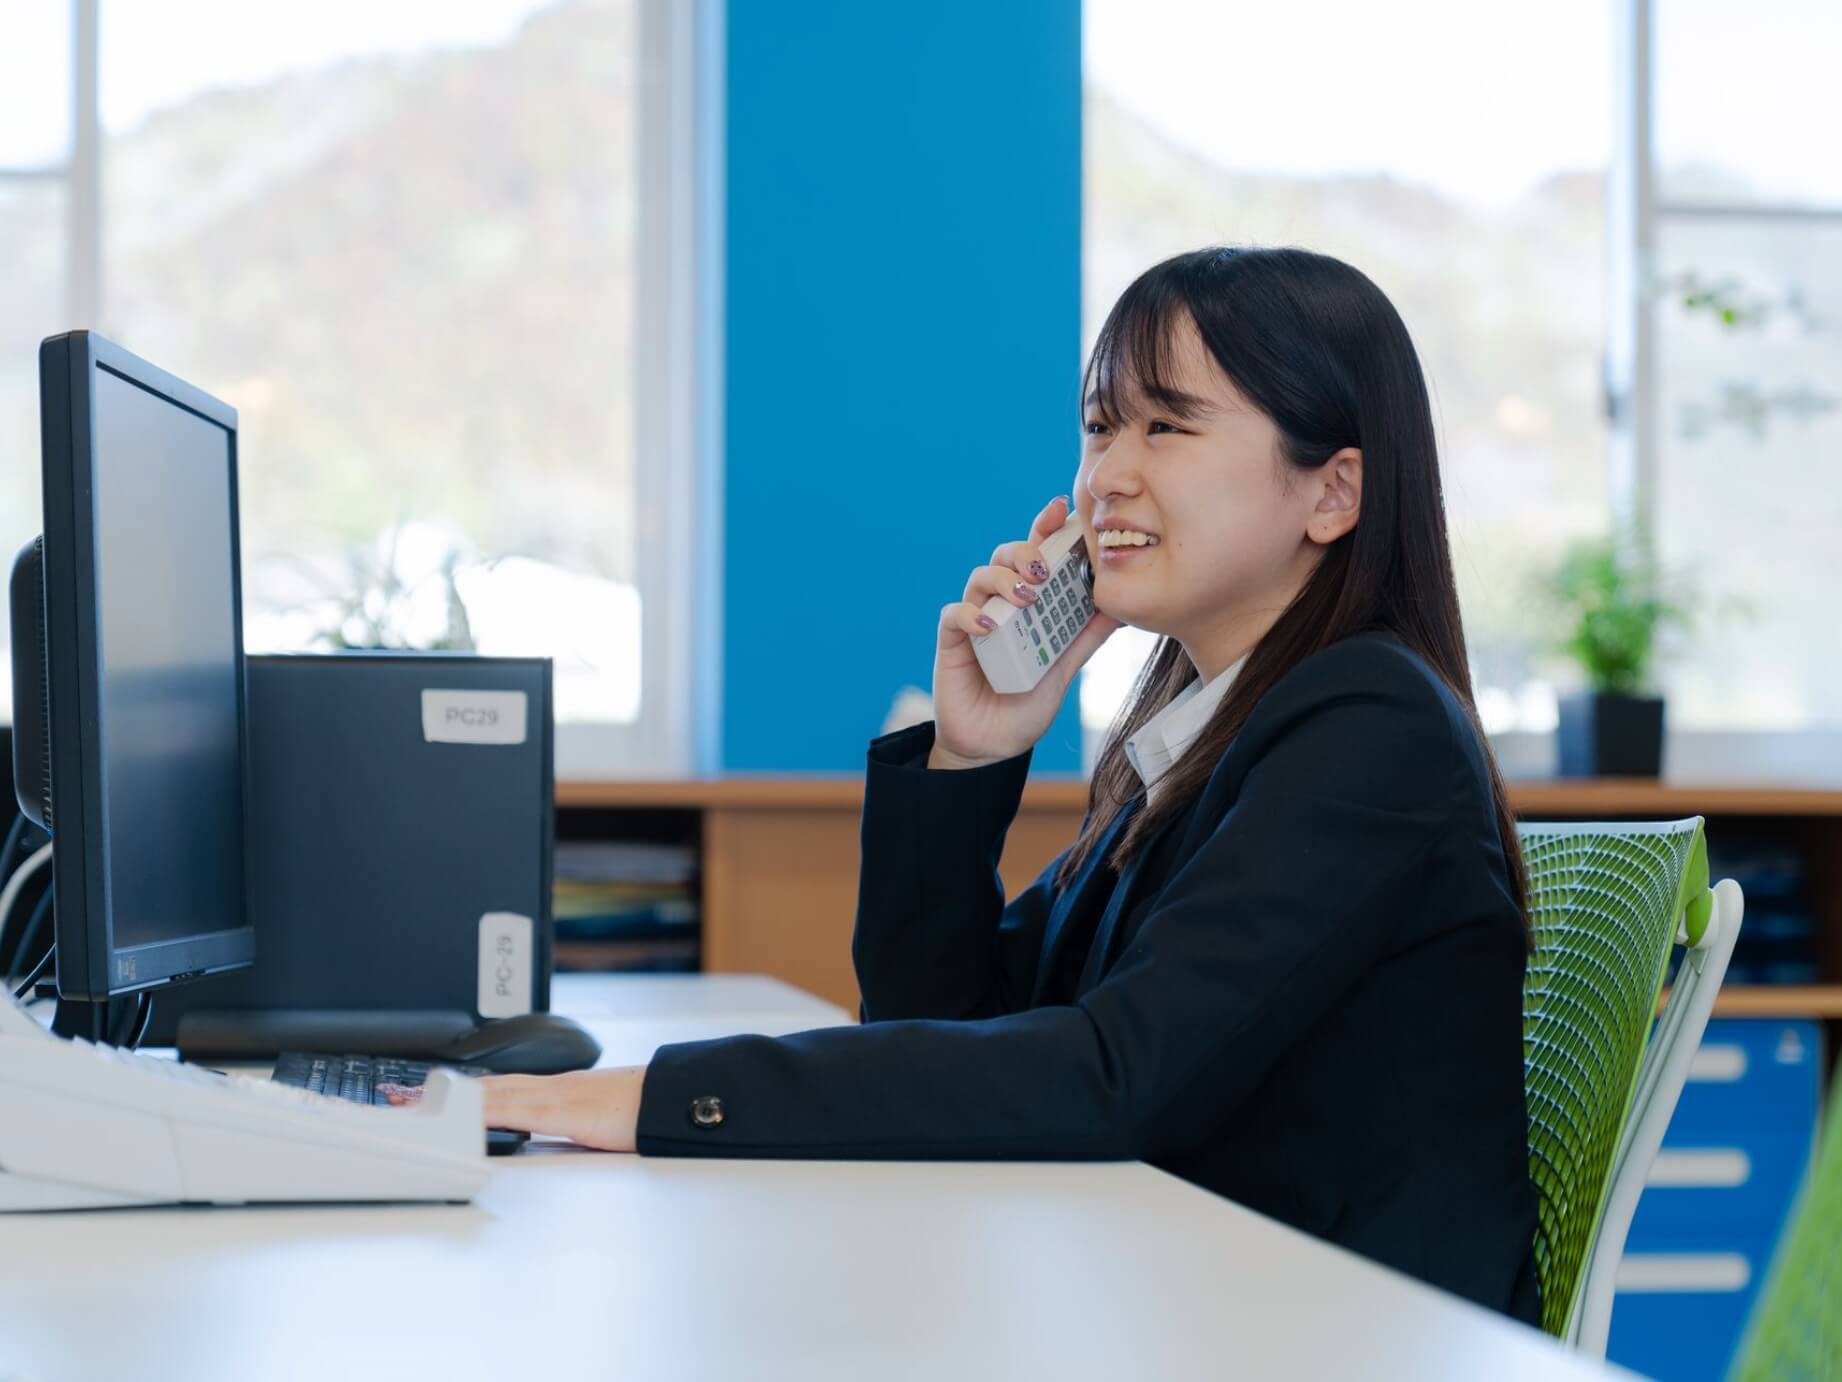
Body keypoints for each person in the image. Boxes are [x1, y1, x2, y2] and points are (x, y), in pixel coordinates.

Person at [481, 246, 1542, 1324]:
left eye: (1165, 425)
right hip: (1202, 1305)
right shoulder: (1202, 742)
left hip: (1340, 1339)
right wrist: (971, 752)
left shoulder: (1370, 727)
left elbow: (1107, 1077)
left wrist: (665, 1094)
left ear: (1333, 490)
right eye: (1099, 425)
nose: (1108, 475)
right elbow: (947, 1019)